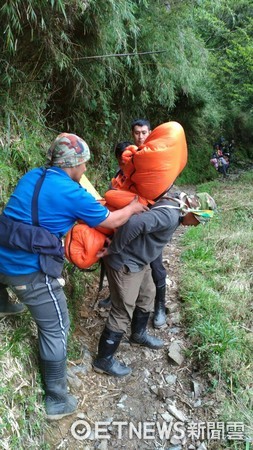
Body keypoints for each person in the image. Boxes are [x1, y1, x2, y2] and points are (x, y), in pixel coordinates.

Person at [0, 133, 147, 420]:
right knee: (57, 327)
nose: (86, 170)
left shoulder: (32, 175)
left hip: (2, 259)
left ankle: (3, 303)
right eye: (85, 164)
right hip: (29, 273)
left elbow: (40, 214)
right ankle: (56, 399)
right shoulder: (72, 192)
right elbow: (111, 220)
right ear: (75, 164)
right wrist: (133, 207)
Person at [93, 191, 216, 377]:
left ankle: (138, 335)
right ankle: (103, 360)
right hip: (126, 261)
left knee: (148, 294)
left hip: (141, 260)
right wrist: (114, 249)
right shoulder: (170, 215)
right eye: (198, 220)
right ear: (192, 212)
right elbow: (135, 223)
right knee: (122, 310)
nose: (196, 225)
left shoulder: (176, 206)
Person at [99, 120, 168, 328]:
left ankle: (160, 306)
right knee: (117, 262)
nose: (140, 136)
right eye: (136, 133)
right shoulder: (124, 170)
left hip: (150, 224)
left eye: (144, 132)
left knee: (155, 264)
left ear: (150, 134)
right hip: (127, 225)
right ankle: (117, 296)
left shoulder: (154, 166)